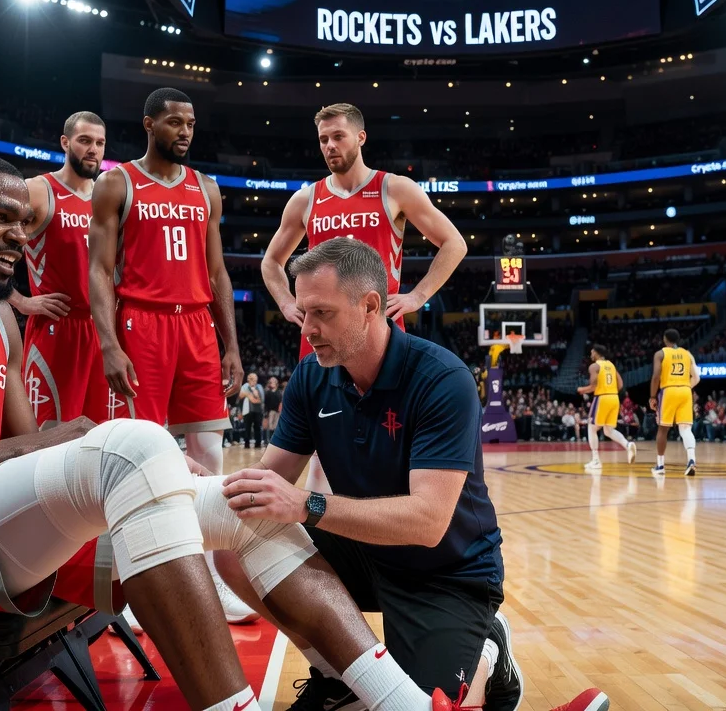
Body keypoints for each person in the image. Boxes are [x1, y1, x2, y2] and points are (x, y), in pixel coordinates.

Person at [0, 150, 477, 711]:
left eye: (22, 220)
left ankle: (401, 704)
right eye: (1, 218)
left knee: (245, 505)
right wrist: (39, 445)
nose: (20, 235)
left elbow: (18, 467)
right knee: (135, 445)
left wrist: (160, 481)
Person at [219, 239, 608, 711]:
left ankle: (488, 651)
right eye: (304, 313)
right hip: (365, 552)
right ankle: (335, 674)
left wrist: (307, 504)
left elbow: (427, 523)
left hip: (446, 570)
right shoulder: (310, 376)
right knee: (237, 544)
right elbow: (266, 480)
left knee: (425, 705)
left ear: (370, 306)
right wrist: (204, 485)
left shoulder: (442, 380)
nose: (309, 328)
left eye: (322, 312)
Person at [89, 87, 251, 623]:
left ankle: (208, 579)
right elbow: (99, 270)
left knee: (209, 457)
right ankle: (138, 585)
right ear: (149, 123)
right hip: (142, 323)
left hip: (197, 326)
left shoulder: (206, 188)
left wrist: (230, 342)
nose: (185, 130)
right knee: (143, 457)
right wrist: (109, 343)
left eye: (191, 123)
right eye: (175, 122)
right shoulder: (118, 182)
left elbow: (219, 272)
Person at [261, 103, 467, 494]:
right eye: (323, 139)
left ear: (360, 137)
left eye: (338, 136)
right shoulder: (306, 200)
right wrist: (288, 303)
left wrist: (419, 294)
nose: (330, 146)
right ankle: (329, 529)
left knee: (388, 438)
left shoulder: (395, 188)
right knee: (323, 443)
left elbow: (453, 243)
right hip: (324, 328)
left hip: (380, 328)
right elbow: (271, 262)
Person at [21, 111, 110, 427]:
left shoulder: (107, 198)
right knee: (46, 440)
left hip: (102, 333)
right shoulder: (37, 189)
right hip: (58, 330)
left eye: (99, 143)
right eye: (85, 141)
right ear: (65, 142)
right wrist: (20, 301)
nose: (93, 150)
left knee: (100, 439)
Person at [649, 329, 700, 476]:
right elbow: (696, 378)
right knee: (685, 429)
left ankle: (660, 466)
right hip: (685, 391)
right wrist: (684, 386)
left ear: (665, 339)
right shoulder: (687, 354)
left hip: (669, 391)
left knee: (663, 429)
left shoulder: (661, 353)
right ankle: (691, 460)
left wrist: (652, 396)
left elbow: (656, 376)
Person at [577, 344, 636, 470]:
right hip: (614, 398)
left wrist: (582, 390)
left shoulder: (594, 366)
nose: (591, 354)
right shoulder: (611, 365)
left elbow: (593, 386)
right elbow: (620, 385)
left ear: (597, 353)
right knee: (608, 430)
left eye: (592, 352)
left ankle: (596, 460)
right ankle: (628, 445)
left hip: (602, 398)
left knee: (592, 428)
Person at [239, 372, 266, 448]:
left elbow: (261, 400)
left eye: (254, 379)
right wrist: (248, 395)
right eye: (251, 379)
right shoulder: (245, 386)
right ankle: (246, 444)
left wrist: (254, 395)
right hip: (247, 411)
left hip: (258, 411)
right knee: (247, 428)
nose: (253, 380)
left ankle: (258, 444)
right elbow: (240, 396)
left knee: (257, 427)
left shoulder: (259, 387)